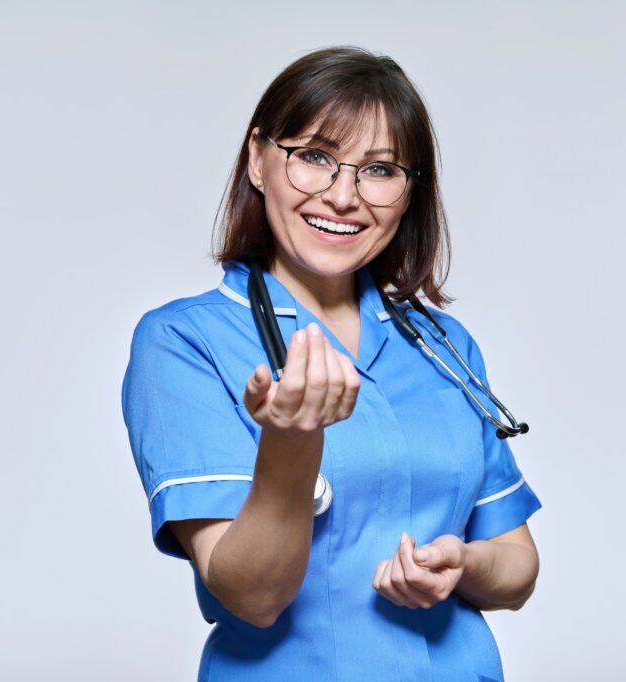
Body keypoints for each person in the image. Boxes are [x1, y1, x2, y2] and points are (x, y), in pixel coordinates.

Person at [121, 46, 543, 682]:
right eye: (314, 158)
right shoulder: (183, 341)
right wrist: (292, 441)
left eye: (379, 170)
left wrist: (464, 564)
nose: (344, 196)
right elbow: (253, 598)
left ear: (409, 192)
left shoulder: (441, 344)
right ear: (257, 159)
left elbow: (517, 566)